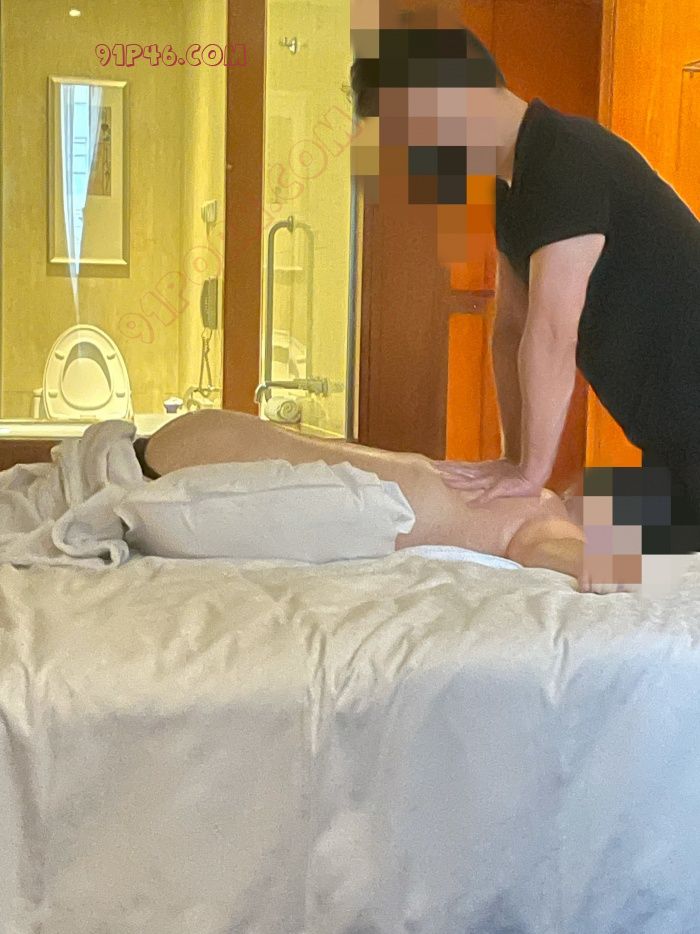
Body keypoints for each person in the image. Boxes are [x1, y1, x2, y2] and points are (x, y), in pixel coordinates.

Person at [349, 6, 700, 550]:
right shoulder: (512, 186)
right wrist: (514, 460)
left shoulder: (566, 161)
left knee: (608, 554)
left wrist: (531, 471)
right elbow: (511, 327)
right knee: (581, 524)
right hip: (673, 441)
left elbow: (553, 332)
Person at [135, 409, 608, 590]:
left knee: (276, 453)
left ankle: (140, 458)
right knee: (277, 453)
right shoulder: (542, 503)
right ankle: (141, 460)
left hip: (216, 441)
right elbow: (553, 547)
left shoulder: (546, 512)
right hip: (220, 446)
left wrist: (598, 561)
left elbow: (548, 548)